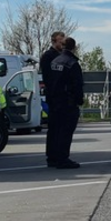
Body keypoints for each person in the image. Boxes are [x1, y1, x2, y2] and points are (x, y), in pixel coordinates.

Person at [48, 37, 84, 169]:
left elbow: (49, 81)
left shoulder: (54, 61)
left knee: (55, 131)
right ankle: (63, 159)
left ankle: (53, 158)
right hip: (68, 102)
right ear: (74, 47)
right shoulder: (72, 63)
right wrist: (79, 100)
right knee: (66, 131)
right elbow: (77, 84)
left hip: (55, 101)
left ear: (62, 46)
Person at [40, 31, 65, 166]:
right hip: (54, 97)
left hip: (62, 97)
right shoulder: (48, 56)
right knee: (54, 128)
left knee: (61, 129)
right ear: (54, 41)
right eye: (60, 41)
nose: (62, 44)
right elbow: (49, 78)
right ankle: (52, 157)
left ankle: (59, 155)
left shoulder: (63, 55)